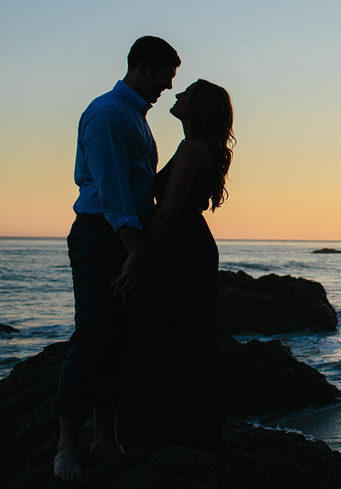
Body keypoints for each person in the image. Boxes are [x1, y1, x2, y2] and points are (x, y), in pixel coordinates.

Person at [54, 36, 180, 481]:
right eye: (165, 75)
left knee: (118, 340)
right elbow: (111, 193)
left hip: (123, 238)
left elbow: (138, 187)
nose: (167, 85)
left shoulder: (135, 118)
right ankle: (66, 447)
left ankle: (103, 438)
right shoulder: (108, 114)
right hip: (101, 237)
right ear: (142, 68)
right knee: (91, 338)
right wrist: (135, 251)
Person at [113, 78, 234, 447]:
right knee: (180, 335)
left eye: (185, 93)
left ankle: (167, 430)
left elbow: (166, 214)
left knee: (166, 334)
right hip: (187, 243)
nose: (177, 94)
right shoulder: (199, 147)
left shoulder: (194, 148)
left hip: (178, 245)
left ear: (198, 107)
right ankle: (178, 426)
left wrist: (136, 256)